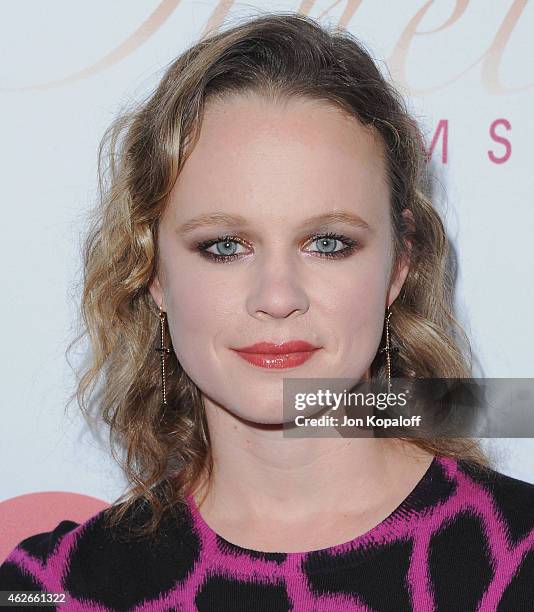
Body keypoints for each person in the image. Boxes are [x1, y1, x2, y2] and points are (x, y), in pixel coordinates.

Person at [2, 11, 534, 612]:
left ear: (400, 263)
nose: (277, 297)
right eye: (224, 246)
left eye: (328, 243)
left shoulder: (521, 561)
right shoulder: (48, 590)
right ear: (151, 270)